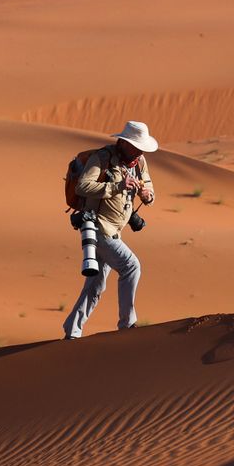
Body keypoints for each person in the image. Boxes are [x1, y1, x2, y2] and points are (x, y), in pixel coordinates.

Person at [63, 120, 158, 339]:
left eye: (142, 146)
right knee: (131, 266)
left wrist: (147, 196)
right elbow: (83, 186)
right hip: (97, 227)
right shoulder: (102, 158)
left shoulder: (139, 163)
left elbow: (150, 189)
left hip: (115, 230)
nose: (140, 150)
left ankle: (72, 331)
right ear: (124, 143)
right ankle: (127, 324)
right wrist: (118, 186)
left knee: (95, 286)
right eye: (136, 145)